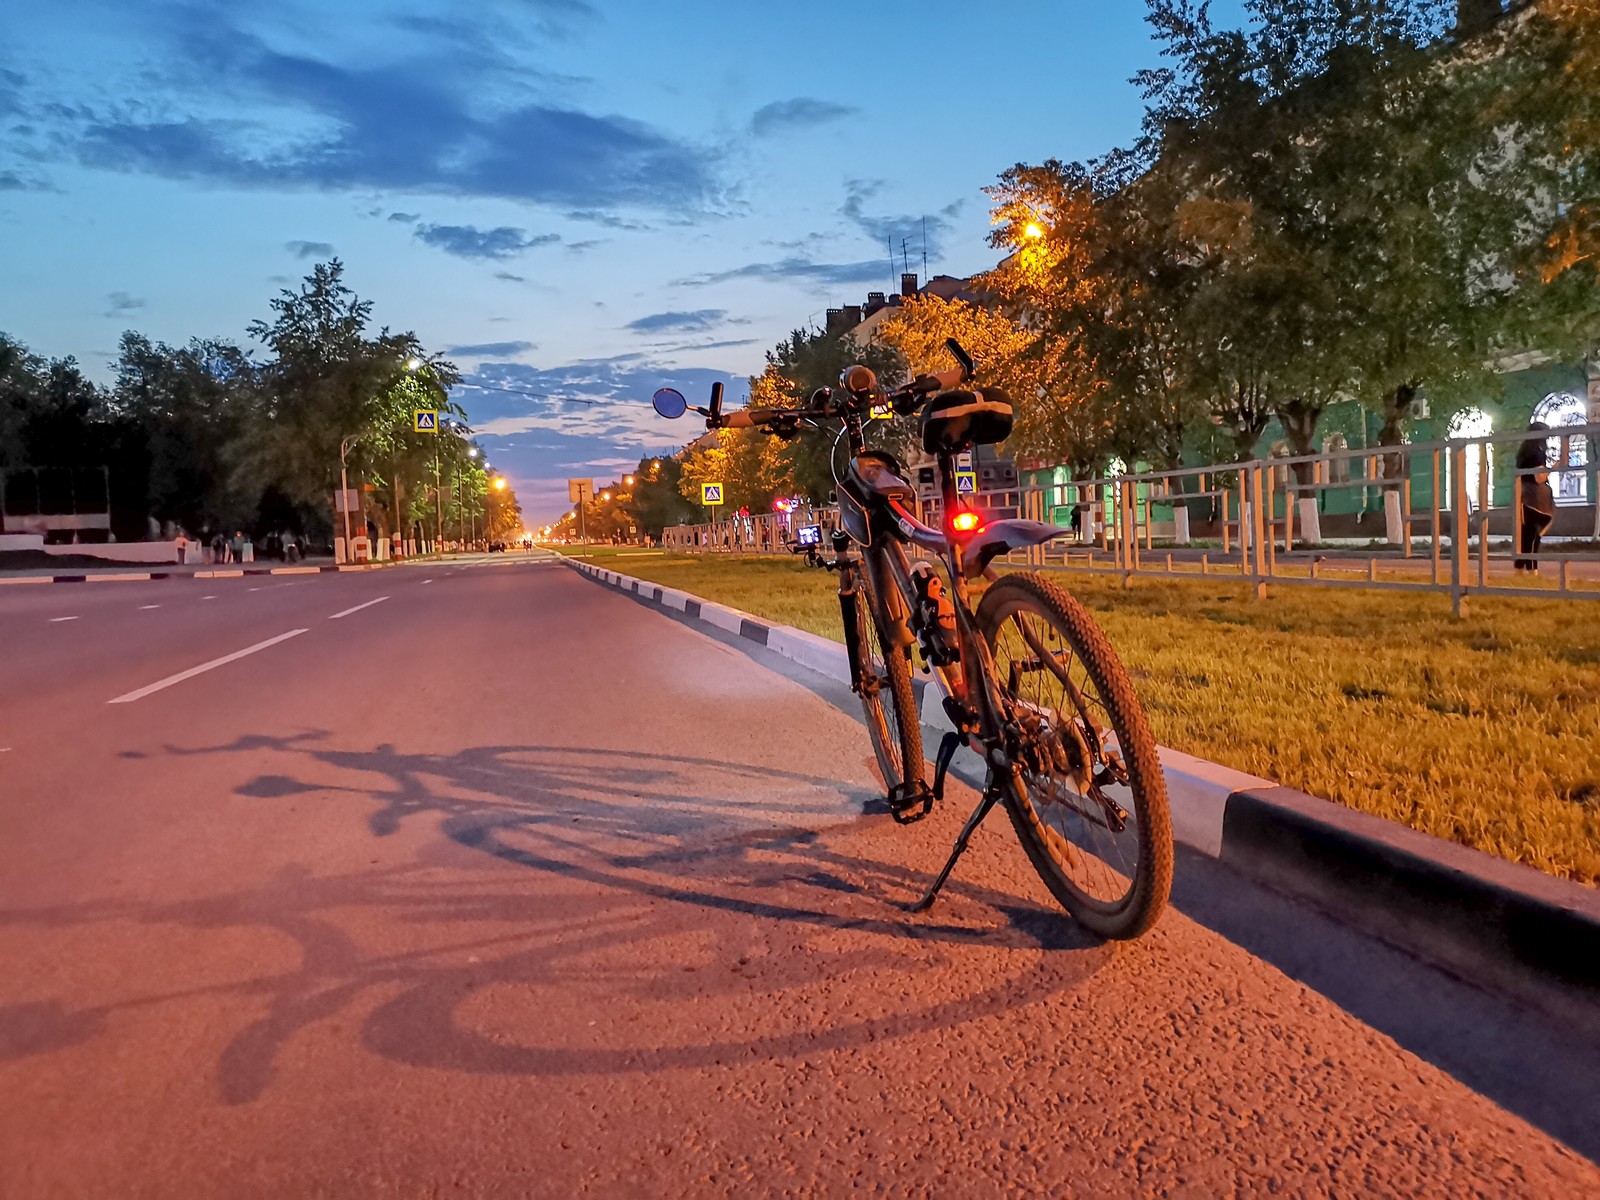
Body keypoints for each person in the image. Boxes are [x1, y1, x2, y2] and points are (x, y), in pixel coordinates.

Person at [1514, 422, 1555, 572]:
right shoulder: (1537, 453)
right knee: (1535, 533)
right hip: (1535, 497)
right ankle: (1532, 569)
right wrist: (1553, 468)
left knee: (1526, 533)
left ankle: (1520, 568)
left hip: (1524, 495)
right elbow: (1539, 478)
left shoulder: (1523, 452)